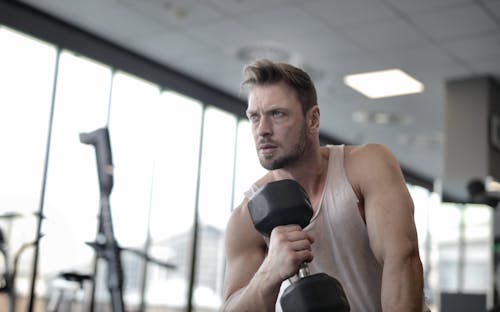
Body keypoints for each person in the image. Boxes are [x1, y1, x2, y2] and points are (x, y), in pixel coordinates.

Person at [222, 59, 426, 311]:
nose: (262, 129)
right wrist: (269, 273)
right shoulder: (246, 218)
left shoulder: (367, 166)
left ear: (313, 120)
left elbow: (402, 259)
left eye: (277, 114)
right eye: (254, 117)